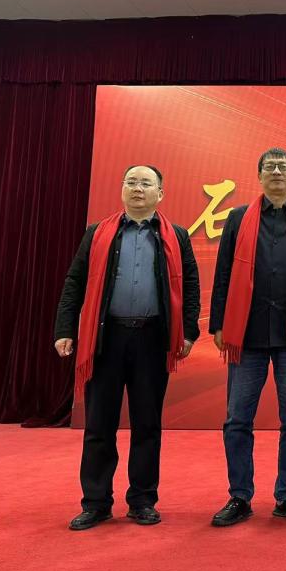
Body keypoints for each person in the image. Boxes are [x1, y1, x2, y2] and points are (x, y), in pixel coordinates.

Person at [55, 165, 200, 530]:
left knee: (147, 424)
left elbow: (191, 285)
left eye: (145, 183)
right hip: (106, 338)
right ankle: (96, 502)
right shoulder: (98, 233)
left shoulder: (176, 235)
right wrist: (65, 329)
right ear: (122, 190)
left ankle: (143, 500)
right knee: (99, 424)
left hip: (152, 339)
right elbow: (74, 281)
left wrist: (188, 333)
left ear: (160, 193)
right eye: (131, 182)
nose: (137, 188)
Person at [209, 148, 286, 526]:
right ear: (260, 176)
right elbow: (224, 272)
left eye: (283, 167)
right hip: (246, 334)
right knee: (237, 419)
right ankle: (239, 497)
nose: (276, 172)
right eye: (269, 167)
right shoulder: (238, 218)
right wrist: (219, 324)